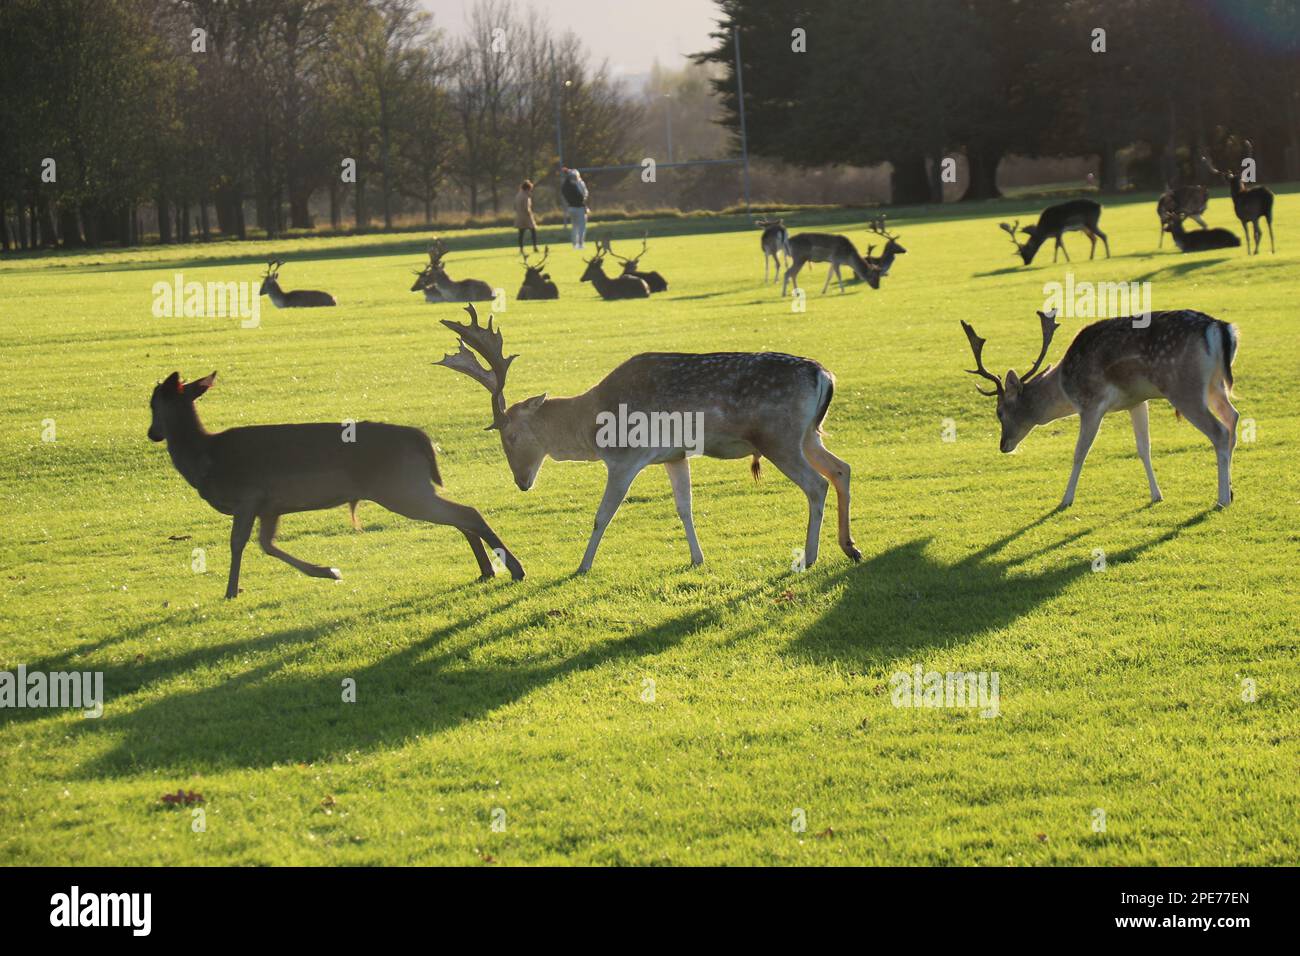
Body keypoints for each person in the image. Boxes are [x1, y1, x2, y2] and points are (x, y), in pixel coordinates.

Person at [561, 168, 589, 250]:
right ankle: (580, 244)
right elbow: (585, 194)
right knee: (582, 226)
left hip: (571, 207)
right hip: (579, 207)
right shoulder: (580, 183)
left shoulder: (567, 185)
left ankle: (574, 244)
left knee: (574, 227)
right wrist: (583, 202)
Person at [514, 180, 538, 254]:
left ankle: (521, 249)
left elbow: (514, 207)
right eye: (530, 189)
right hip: (526, 217)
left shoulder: (518, 195)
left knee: (521, 234)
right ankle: (535, 247)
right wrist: (531, 215)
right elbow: (526, 208)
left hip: (519, 216)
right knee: (533, 232)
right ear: (527, 188)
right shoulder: (526, 196)